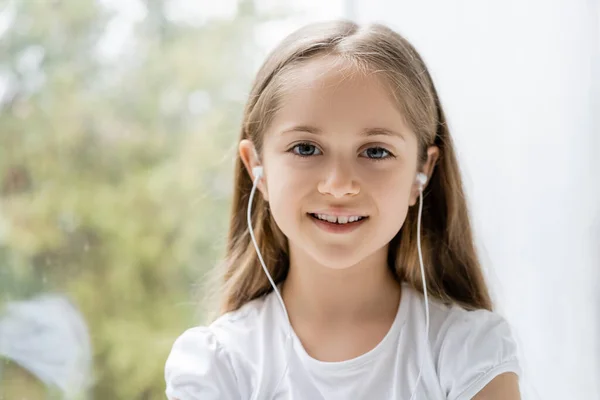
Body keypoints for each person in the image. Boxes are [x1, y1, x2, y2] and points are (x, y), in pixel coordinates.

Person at [164, 20, 521, 399]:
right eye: (305, 148)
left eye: (375, 152)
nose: (338, 184)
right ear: (257, 167)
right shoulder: (218, 365)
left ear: (423, 171)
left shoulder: (471, 355)